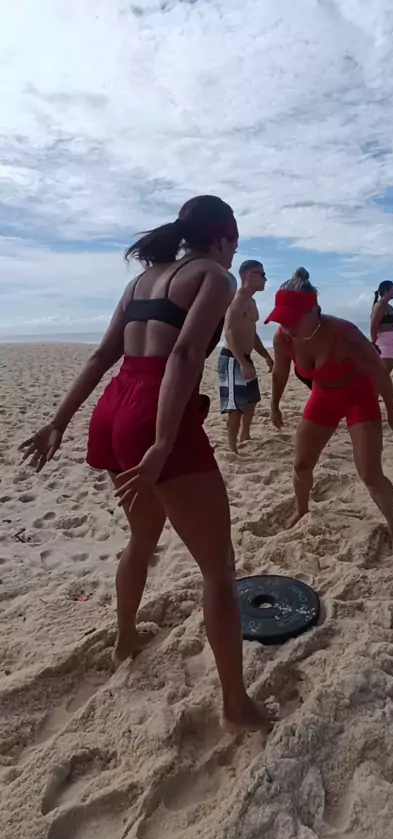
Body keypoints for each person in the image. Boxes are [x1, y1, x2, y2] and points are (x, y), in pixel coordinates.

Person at [19, 195, 272, 731]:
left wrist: (59, 421)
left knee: (143, 535)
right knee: (219, 568)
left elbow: (101, 356)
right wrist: (161, 443)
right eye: (235, 243)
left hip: (114, 407)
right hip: (155, 411)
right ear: (223, 238)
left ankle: (126, 639)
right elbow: (183, 354)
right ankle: (235, 705)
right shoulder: (214, 276)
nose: (234, 253)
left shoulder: (140, 282)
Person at [265, 268, 393, 553]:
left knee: (370, 473)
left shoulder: (345, 335)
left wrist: (392, 412)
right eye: (282, 319)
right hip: (324, 397)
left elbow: (379, 373)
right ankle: (302, 510)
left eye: (292, 319)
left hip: (359, 397)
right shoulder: (284, 338)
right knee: (301, 464)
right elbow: (280, 372)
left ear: (313, 311)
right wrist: (274, 405)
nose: (287, 326)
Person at [218, 259, 273, 453]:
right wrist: (241, 362)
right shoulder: (238, 299)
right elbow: (229, 332)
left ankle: (245, 435)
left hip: (245, 358)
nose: (265, 279)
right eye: (262, 274)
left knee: (251, 400)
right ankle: (232, 448)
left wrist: (266, 356)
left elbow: (252, 334)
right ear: (250, 275)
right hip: (232, 359)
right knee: (236, 406)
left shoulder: (251, 302)